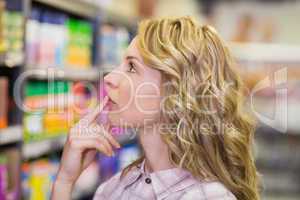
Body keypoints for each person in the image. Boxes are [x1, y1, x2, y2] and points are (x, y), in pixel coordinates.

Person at [51, 16, 260, 200]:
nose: (109, 78)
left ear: (176, 91)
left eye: (131, 67)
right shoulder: (116, 187)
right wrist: (65, 181)